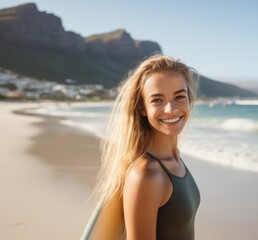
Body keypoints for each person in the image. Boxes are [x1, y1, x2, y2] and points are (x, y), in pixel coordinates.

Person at [81, 54, 200, 240]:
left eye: (179, 96)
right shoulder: (147, 174)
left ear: (189, 100)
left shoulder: (174, 160)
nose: (171, 109)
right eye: (157, 100)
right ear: (142, 108)